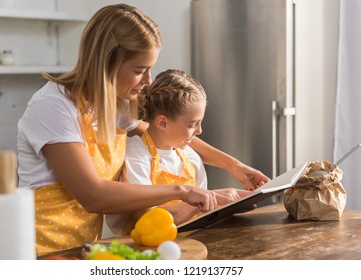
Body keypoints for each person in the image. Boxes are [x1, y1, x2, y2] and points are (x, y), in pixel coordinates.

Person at [17, 4, 269, 256]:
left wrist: (234, 166)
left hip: (81, 248)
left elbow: (172, 135)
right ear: (106, 63)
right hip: (39, 252)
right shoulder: (53, 107)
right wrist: (182, 191)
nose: (148, 80)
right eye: (139, 70)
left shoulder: (113, 107)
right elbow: (92, 195)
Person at [106, 69, 252, 235]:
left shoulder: (191, 158)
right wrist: (210, 198)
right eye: (192, 125)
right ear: (162, 123)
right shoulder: (136, 153)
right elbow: (147, 219)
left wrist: (222, 204)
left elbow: (200, 217)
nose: (199, 131)